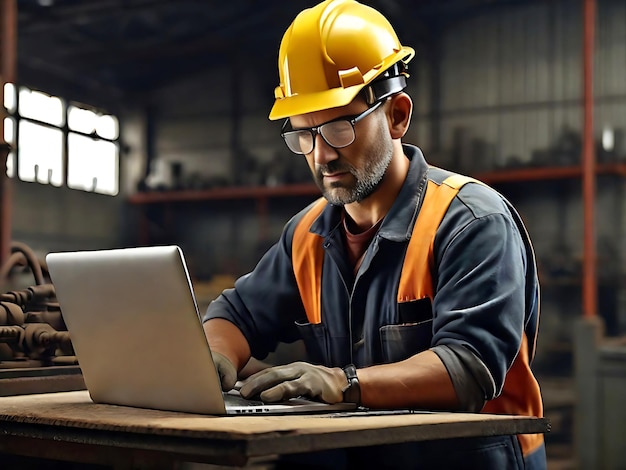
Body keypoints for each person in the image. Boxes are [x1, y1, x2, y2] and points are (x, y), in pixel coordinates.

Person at [203, 0, 546, 468]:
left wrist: (341, 384)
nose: (321, 155)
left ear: (397, 115)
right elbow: (236, 315)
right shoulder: (306, 233)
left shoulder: (471, 222)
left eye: (339, 128)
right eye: (304, 134)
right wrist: (215, 356)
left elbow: (469, 366)